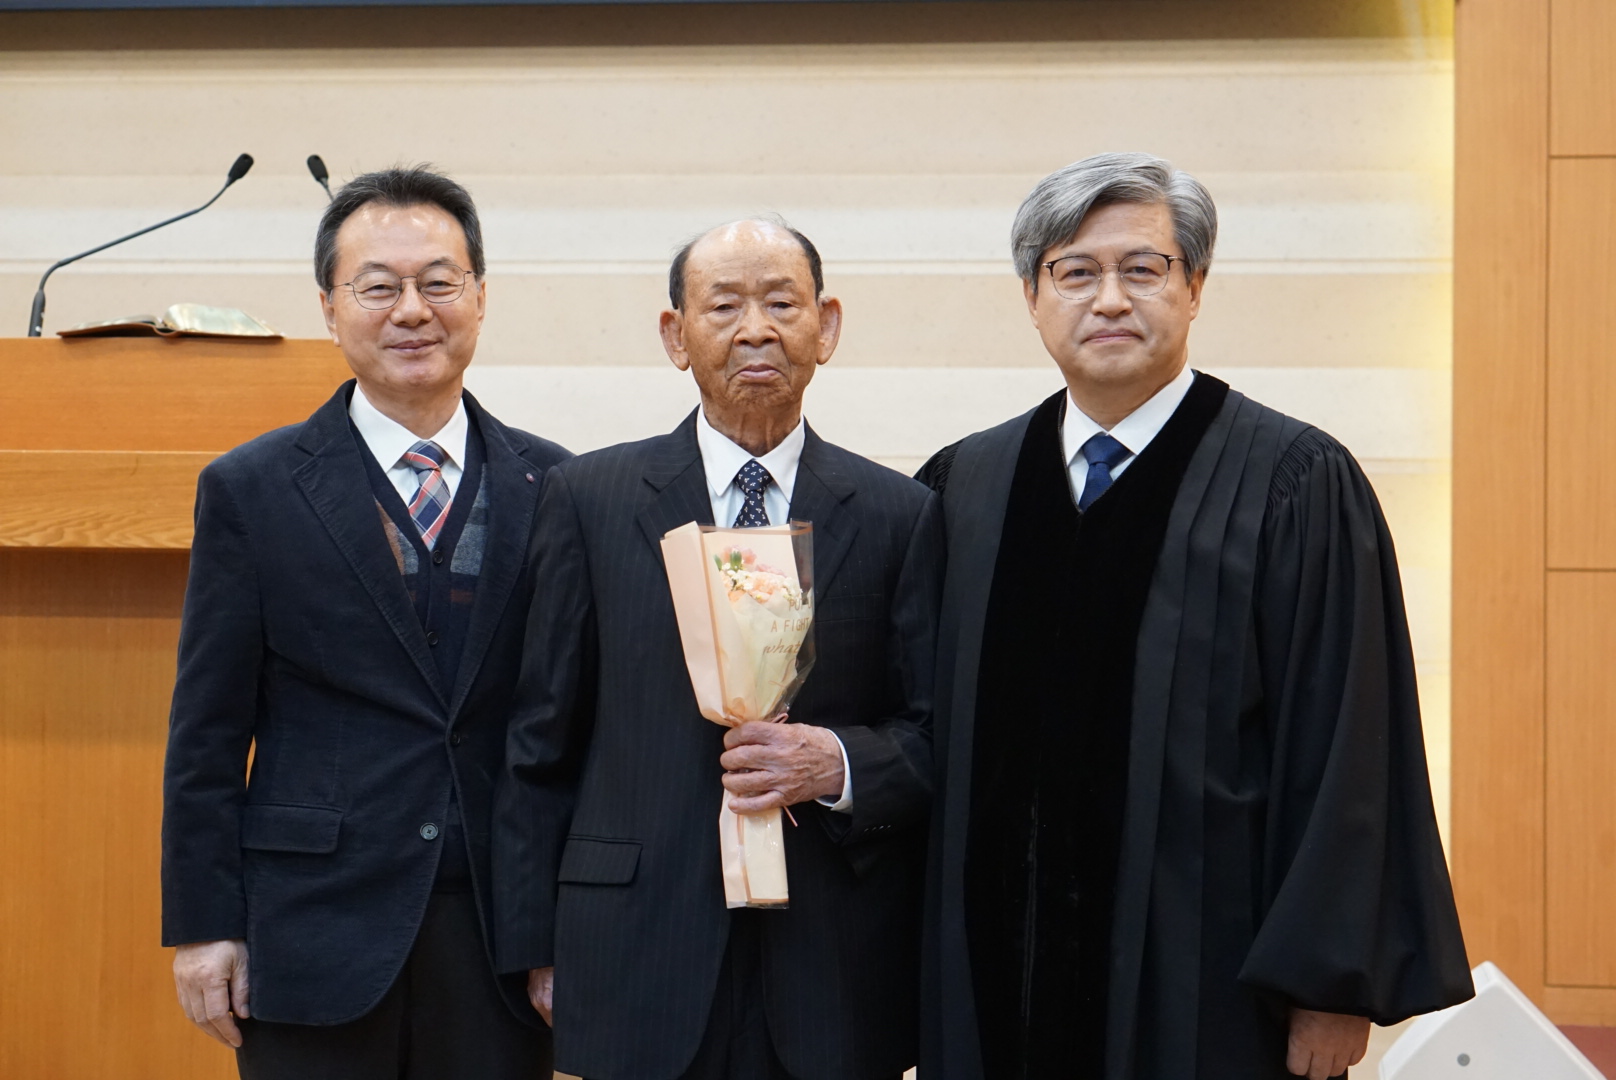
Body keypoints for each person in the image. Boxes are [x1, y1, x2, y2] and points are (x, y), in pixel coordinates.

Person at [917, 153, 1473, 1080]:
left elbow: (1349, 751)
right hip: (992, 981)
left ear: (1196, 287)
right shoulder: (966, 487)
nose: (1109, 299)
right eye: (1075, 272)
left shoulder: (1295, 484)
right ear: (1032, 297)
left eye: (1143, 269)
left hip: (1208, 986)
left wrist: (1329, 988)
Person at [494, 218, 942, 1080]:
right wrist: (534, 942)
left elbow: (936, 735)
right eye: (725, 305)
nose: (755, 330)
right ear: (676, 336)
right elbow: (537, 739)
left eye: (782, 304)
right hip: (633, 948)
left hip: (834, 962)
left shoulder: (901, 513)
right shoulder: (587, 499)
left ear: (827, 327)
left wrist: (840, 763)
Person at [161, 166, 568, 1080]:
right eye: (378, 287)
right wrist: (204, 925)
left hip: (502, 940)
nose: (412, 311)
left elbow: (576, 726)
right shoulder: (252, 489)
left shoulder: (557, 485)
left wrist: (572, 923)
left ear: (481, 296)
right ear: (329, 309)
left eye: (439, 282)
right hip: (309, 931)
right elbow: (207, 732)